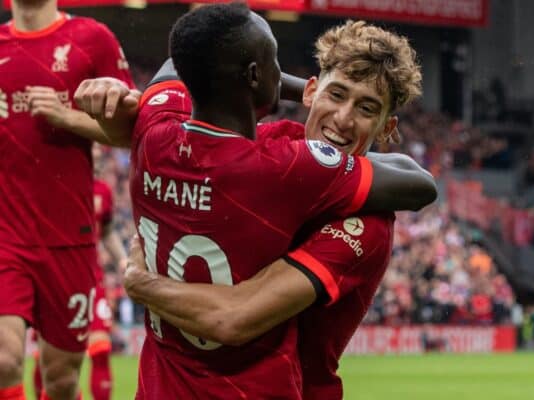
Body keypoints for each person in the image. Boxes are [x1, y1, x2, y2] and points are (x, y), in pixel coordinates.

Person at [75, 4, 435, 399]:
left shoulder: (366, 223)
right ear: (310, 91)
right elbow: (417, 181)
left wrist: (142, 285)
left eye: (366, 108)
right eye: (336, 95)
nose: (343, 119)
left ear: (387, 127)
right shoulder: (273, 152)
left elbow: (231, 318)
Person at [0, 1, 133, 399]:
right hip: (6, 235)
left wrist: (66, 116)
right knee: (4, 359)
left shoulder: (93, 40)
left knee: (59, 381)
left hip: (68, 240)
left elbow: (129, 133)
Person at [32, 144, 128, 400]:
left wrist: (122, 260)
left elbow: (107, 232)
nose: (96, 157)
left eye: (98, 153)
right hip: (53, 274)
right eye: (91, 152)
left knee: (100, 349)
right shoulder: (52, 183)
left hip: (91, 277)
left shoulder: (104, 191)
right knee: (49, 356)